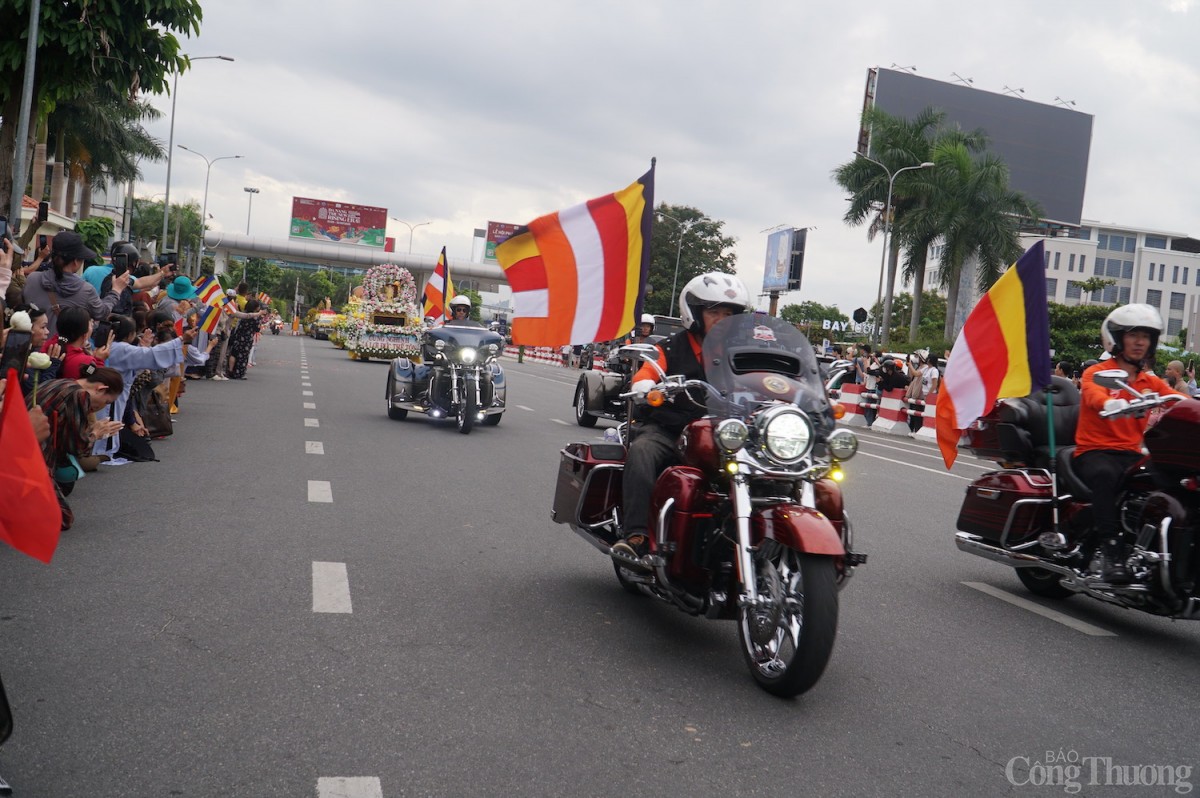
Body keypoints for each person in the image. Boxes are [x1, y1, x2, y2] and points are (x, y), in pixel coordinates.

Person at [614, 272, 752, 560]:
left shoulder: (740, 353)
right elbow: (649, 370)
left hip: (724, 434)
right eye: (715, 312)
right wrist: (644, 384)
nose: (723, 319)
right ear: (695, 313)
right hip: (671, 430)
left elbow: (767, 379)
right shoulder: (670, 347)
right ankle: (637, 535)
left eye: (729, 313)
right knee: (642, 451)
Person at [1074, 304, 1185, 583]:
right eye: (1133, 335)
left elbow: (1179, 400)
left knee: (1173, 482)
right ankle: (1111, 552)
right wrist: (1112, 402)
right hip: (1095, 451)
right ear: (1117, 338)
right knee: (1106, 476)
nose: (1140, 342)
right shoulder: (1097, 372)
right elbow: (1094, 396)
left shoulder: (1150, 381)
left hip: (1132, 454)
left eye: (1146, 337)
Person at [20, 231, 129, 336]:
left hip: (32, 350)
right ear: (76, 261)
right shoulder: (86, 290)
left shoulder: (32, 279)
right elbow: (102, 313)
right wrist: (116, 290)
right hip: (64, 352)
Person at [226, 299, 268, 379]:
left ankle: (230, 370)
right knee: (243, 356)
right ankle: (239, 373)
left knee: (234, 353)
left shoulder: (243, 314)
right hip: (247, 338)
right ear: (255, 308)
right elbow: (257, 329)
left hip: (238, 335)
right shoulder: (255, 317)